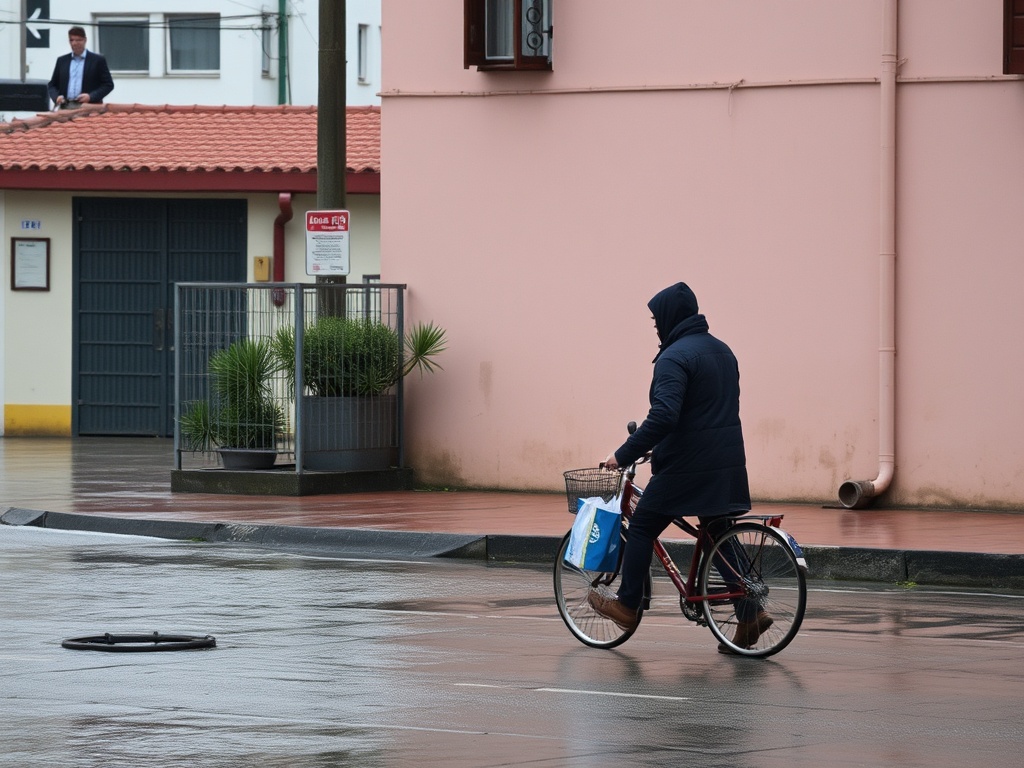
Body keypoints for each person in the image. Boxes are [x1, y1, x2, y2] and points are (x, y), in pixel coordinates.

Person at [587, 282, 771, 652]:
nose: (655, 326)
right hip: (727, 462)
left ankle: (626, 605)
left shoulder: (674, 357)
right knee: (717, 531)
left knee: (640, 528)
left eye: (657, 319)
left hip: (689, 467)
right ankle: (749, 614)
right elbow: (704, 410)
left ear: (670, 316)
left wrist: (622, 454)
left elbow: (664, 417)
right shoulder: (723, 351)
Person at [47, 26, 114, 109]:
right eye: (71, 40)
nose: (74, 43)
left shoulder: (97, 60)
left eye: (78, 40)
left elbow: (108, 85)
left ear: (85, 40)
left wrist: (91, 96)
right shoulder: (62, 61)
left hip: (89, 107)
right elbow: (52, 85)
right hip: (65, 107)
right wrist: (56, 97)